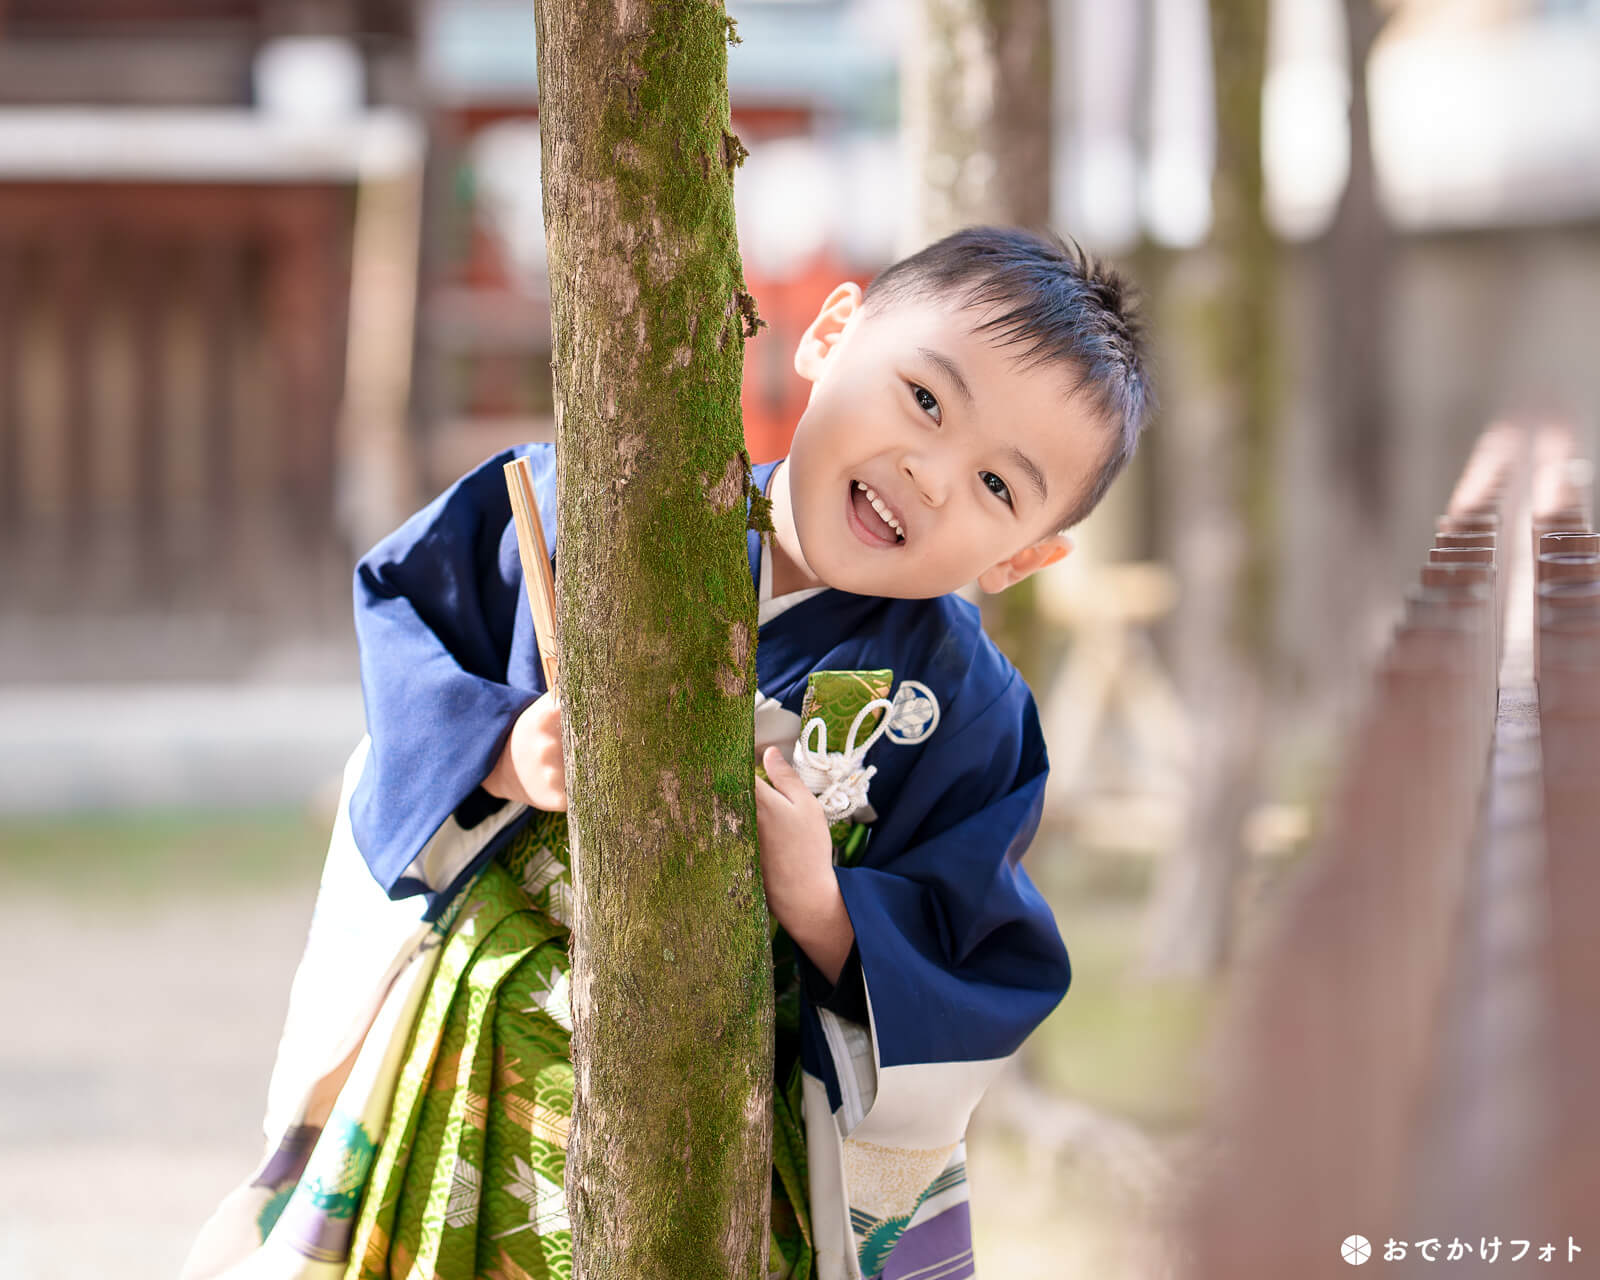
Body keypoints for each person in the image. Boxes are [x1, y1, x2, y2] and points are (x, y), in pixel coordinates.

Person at [183, 225, 1151, 1280]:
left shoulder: (969, 713)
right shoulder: (608, 506)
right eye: (924, 398)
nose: (929, 472)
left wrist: (828, 910)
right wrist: (501, 749)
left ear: (1026, 557)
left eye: (998, 488)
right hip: (478, 1043)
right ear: (833, 332)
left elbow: (984, 959)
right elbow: (412, 615)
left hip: (725, 1123)